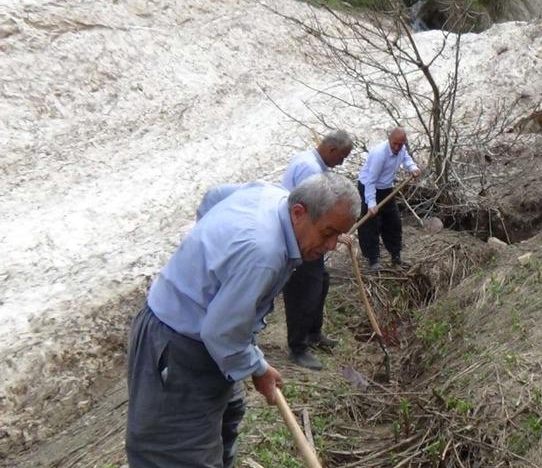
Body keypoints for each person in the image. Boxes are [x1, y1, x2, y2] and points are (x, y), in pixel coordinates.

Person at [126, 173, 360, 468]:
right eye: (328, 232)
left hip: (208, 339)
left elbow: (214, 196)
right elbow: (222, 333)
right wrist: (258, 368)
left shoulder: (271, 196)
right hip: (176, 343)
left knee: (228, 416)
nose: (332, 246)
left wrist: (213, 258)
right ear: (299, 213)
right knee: (176, 452)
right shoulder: (263, 254)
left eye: (339, 235)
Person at [281, 130, 353, 370]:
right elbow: (310, 213)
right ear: (332, 150)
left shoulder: (314, 165)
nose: (341, 163)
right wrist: (334, 234)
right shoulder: (310, 169)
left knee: (321, 283)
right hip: (303, 241)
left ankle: (314, 333)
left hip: (312, 238)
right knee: (304, 292)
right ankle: (298, 347)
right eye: (341, 157)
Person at [356, 127, 421, 270]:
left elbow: (406, 159)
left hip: (386, 188)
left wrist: (413, 168)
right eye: (394, 144)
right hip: (369, 187)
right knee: (370, 224)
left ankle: (395, 256)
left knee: (394, 221)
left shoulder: (401, 149)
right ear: (389, 140)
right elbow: (370, 181)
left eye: (400, 144)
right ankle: (373, 259)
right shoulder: (379, 154)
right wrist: (371, 203)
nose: (397, 147)